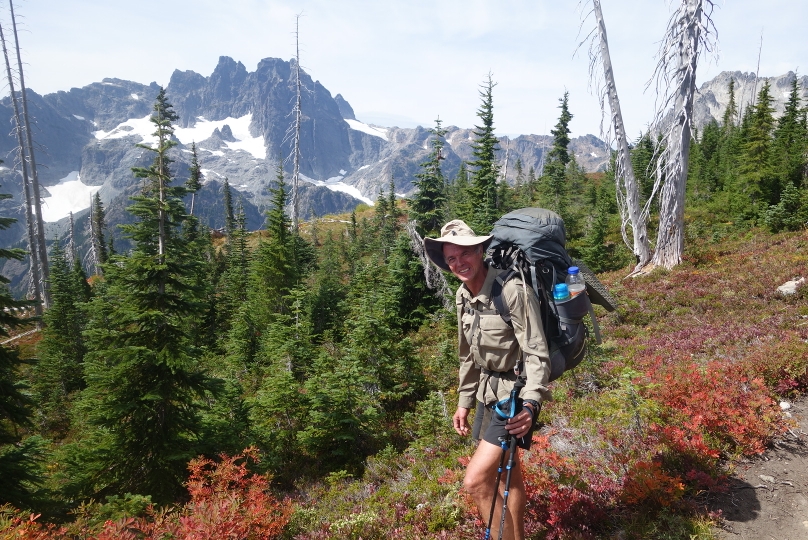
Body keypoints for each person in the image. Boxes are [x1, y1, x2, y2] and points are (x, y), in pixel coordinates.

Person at [424, 219, 551, 540]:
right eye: (451, 258)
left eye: (464, 253)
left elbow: (536, 352)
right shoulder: (462, 295)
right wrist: (464, 401)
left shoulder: (512, 291)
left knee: (477, 480)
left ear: (480, 251)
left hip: (513, 396)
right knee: (511, 472)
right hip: (485, 393)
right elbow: (467, 354)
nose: (458, 263)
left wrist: (532, 403)